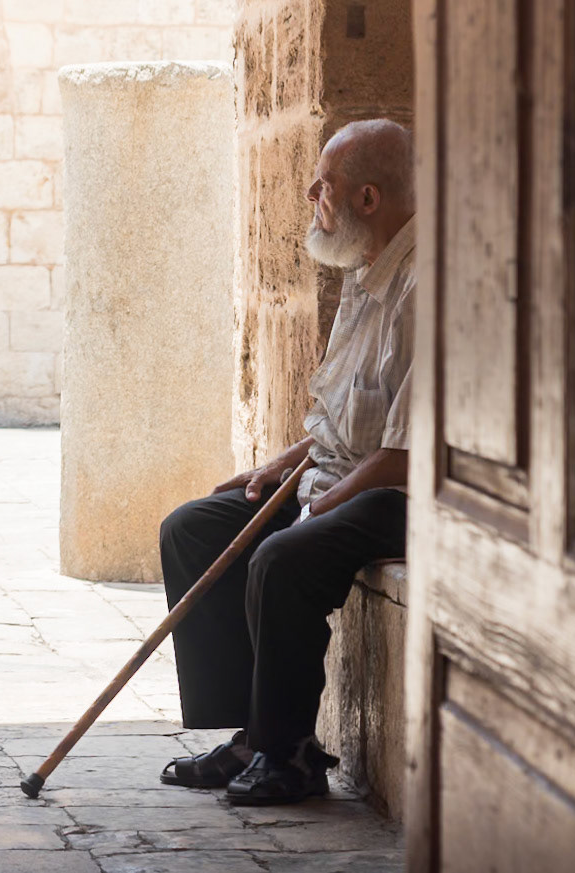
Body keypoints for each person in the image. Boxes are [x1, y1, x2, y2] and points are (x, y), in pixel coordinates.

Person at [156, 119, 416, 807]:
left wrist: (323, 500)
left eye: (321, 185)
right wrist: (283, 463)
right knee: (192, 527)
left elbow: (404, 452)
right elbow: (344, 417)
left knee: (283, 557)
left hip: (403, 490)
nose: (309, 194)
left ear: (365, 196)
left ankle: (288, 753)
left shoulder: (426, 288)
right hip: (350, 474)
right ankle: (248, 733)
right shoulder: (366, 271)